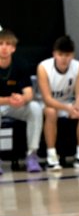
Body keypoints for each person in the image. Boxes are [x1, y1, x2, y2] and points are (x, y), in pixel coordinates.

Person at [37, 35, 79, 170]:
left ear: (72, 55)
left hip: (67, 103)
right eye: (60, 55)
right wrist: (68, 108)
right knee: (51, 112)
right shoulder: (43, 67)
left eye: (67, 55)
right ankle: (52, 156)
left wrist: (77, 106)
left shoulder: (78, 67)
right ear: (54, 54)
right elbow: (47, 99)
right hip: (48, 104)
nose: (64, 59)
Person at [0, 29, 43, 174]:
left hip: (15, 105)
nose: (4, 47)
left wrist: (23, 98)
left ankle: (32, 155)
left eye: (8, 44)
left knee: (35, 108)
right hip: (2, 104)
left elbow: (29, 92)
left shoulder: (21, 64)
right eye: (0, 43)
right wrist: (8, 99)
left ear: (13, 48)